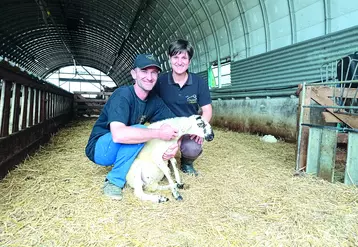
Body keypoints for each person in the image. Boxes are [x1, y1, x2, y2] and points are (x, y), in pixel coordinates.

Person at [85, 54, 179, 200]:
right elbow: (118, 135)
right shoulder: (122, 95)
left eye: (154, 72)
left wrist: (175, 146)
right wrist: (159, 133)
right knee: (142, 131)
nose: (149, 77)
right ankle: (114, 181)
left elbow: (174, 124)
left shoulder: (154, 100)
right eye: (144, 71)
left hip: (123, 146)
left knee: (144, 134)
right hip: (100, 148)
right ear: (134, 74)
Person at [154, 39, 213, 176]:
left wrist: (200, 129)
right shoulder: (160, 82)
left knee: (192, 147)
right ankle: (165, 159)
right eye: (175, 57)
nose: (179, 62)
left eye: (184, 57)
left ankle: (187, 163)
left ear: (189, 61)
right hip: (166, 128)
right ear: (169, 58)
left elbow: (207, 110)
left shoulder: (199, 82)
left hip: (188, 128)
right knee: (161, 156)